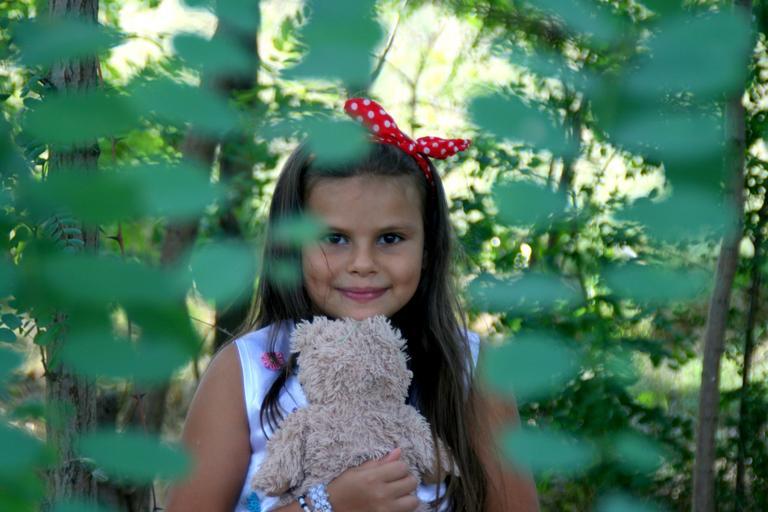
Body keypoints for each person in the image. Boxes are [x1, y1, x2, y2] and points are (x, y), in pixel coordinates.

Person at [166, 98, 539, 512]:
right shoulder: (246, 371)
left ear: (428, 248)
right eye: (335, 238)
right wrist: (326, 504)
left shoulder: (470, 367)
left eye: (391, 238)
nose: (363, 264)